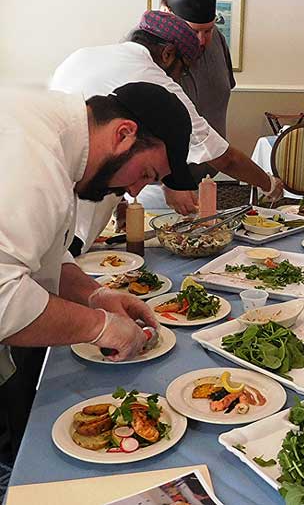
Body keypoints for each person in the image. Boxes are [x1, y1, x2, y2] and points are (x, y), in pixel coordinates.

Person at [0, 81, 193, 459]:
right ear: (124, 133)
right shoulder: (34, 156)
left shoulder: (59, 133)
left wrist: (96, 295)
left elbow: (46, 254)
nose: (136, 192)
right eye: (147, 173)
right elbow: (3, 297)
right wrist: (98, 326)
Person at [51, 11, 282, 253]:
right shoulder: (154, 78)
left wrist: (121, 200)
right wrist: (268, 183)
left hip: (60, 180)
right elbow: (224, 157)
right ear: (168, 54)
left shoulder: (82, 56)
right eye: (183, 71)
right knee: (64, 256)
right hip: (80, 204)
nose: (179, 79)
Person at [159, 0, 235, 192]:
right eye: (193, 32)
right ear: (172, 18)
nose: (201, 41)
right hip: (163, 184)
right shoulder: (150, 49)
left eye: (208, 30)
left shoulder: (218, 40)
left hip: (208, 177)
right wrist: (170, 186)